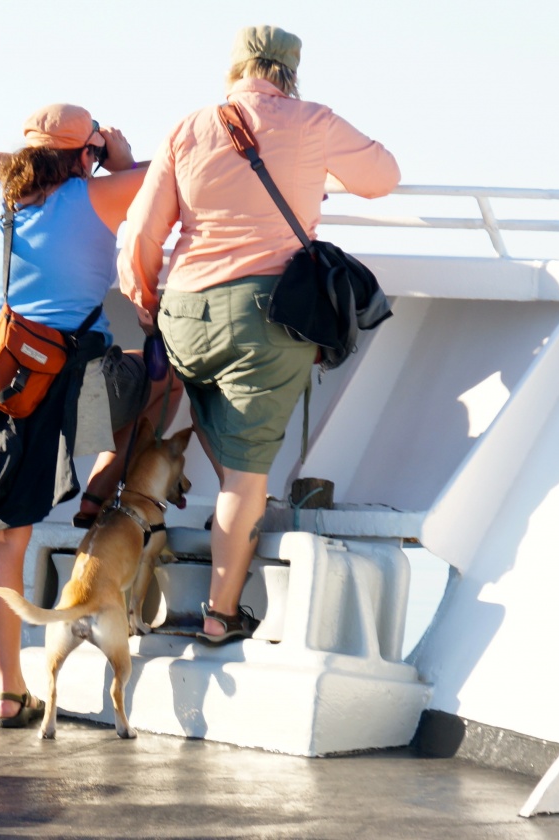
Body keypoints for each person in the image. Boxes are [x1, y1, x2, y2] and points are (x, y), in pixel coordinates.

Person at [118, 25, 400, 644]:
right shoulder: (313, 120)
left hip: (186, 312)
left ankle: (228, 526)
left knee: (223, 438)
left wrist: (145, 299)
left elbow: (142, 232)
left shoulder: (187, 128)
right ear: (290, 72)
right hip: (267, 315)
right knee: (246, 478)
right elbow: (384, 176)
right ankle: (221, 615)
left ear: (235, 69)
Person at [0, 103, 177, 728]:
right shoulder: (95, 197)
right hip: (67, 388)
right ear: (84, 157)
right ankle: (104, 484)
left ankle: (8, 690)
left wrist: (40, 159)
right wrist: (116, 154)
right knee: (166, 375)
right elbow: (160, 178)